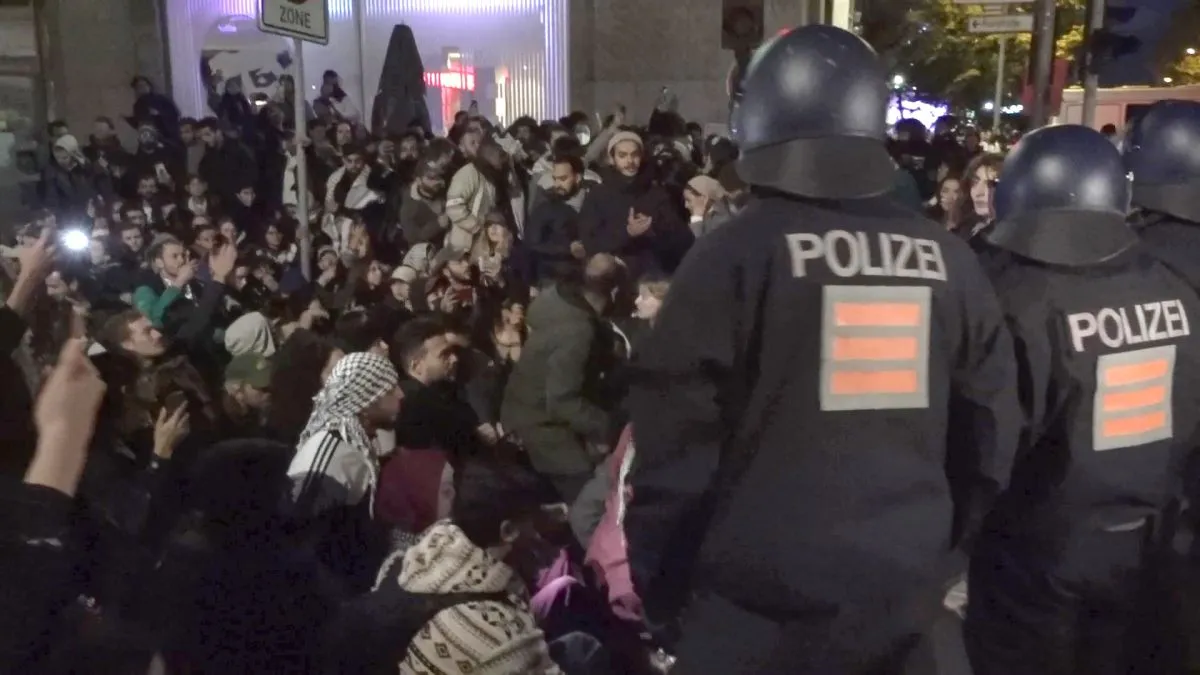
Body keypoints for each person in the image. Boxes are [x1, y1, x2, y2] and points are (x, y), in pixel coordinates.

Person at [621, 25, 1021, 674]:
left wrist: (666, 598)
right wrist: (939, 554)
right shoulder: (950, 261)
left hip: (753, 626)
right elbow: (990, 435)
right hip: (906, 620)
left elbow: (674, 460)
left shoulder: (727, 257)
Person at [963, 125, 1200, 675]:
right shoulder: (1173, 292)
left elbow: (987, 443)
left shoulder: (1012, 295)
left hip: (1034, 557)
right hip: (1148, 552)